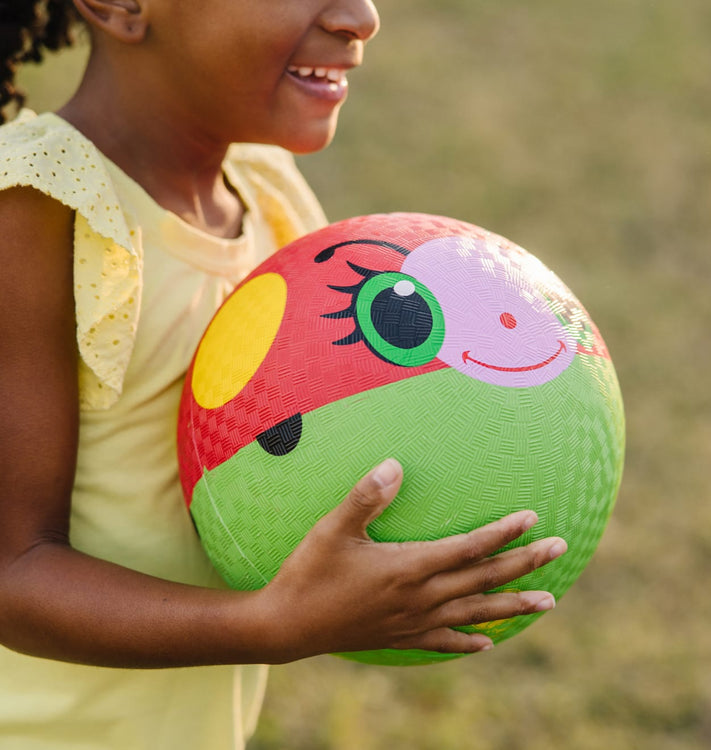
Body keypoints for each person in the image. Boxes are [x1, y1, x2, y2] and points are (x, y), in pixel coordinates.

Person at [0, 1, 568, 748]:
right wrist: (269, 624)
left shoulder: (267, 193)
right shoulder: (38, 204)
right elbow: (13, 569)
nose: (360, 16)